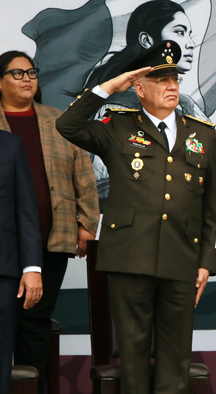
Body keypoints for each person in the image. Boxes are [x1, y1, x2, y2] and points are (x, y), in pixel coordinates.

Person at [56, 41, 216, 394]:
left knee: (175, 359)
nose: (172, 86)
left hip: (182, 260)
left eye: (175, 79)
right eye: (161, 79)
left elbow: (211, 208)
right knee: (132, 357)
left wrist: (207, 261)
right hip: (130, 258)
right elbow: (67, 125)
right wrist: (109, 87)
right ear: (140, 87)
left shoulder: (202, 134)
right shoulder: (117, 126)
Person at [85, 0, 216, 207]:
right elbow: (107, 199)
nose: (190, 43)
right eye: (179, 32)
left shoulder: (187, 109)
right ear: (146, 40)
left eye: (190, 34)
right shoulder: (117, 110)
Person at [0, 50, 99, 393]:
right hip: (5, 246)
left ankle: (34, 387)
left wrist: (87, 224)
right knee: (6, 322)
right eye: (17, 73)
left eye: (31, 72)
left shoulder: (58, 121)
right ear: (0, 82)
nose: (27, 78)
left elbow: (84, 175)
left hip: (52, 239)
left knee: (34, 321)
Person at [0, 131, 43, 394]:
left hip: (3, 267)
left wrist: (32, 267)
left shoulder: (10, 143)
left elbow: (26, 208)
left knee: (2, 354)